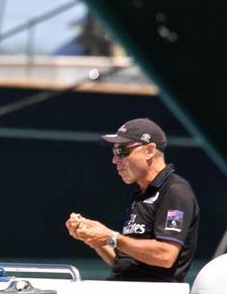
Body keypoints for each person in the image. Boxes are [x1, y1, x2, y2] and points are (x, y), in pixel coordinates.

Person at [66, 118, 199, 282]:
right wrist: (94, 239)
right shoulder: (141, 194)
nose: (114, 160)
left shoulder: (175, 191)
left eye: (122, 151)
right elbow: (123, 263)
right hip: (128, 291)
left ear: (149, 151)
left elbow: (165, 255)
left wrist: (111, 237)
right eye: (114, 152)